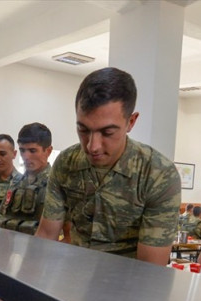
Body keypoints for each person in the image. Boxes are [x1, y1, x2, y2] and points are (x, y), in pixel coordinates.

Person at [35, 67, 181, 265]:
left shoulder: (157, 174)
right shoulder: (66, 163)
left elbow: (150, 268)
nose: (92, 146)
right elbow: (46, 234)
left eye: (107, 132)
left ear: (131, 121)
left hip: (128, 288)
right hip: (72, 280)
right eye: (83, 129)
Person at [0, 123, 53, 234]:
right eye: (22, 150)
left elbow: (67, 234)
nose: (25, 156)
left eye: (32, 151)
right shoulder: (16, 182)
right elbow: (2, 219)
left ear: (48, 151)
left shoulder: (57, 185)